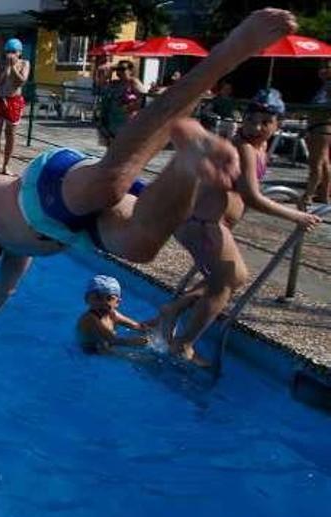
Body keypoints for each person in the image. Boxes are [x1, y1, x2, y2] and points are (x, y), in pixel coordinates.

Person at [0, 8, 296, 330]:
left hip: (45, 191)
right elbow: (2, 292)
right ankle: (187, 161)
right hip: (79, 228)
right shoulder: (16, 255)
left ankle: (229, 53)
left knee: (112, 183)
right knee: (141, 247)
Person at [158, 89, 322, 364]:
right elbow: (252, 198)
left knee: (230, 278)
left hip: (207, 224)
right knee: (231, 278)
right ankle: (183, 344)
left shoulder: (258, 148)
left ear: (277, 124)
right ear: (242, 120)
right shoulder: (245, 148)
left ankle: (174, 309)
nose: (256, 127)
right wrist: (296, 216)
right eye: (251, 120)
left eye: (265, 122)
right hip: (203, 225)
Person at [76, 275, 148, 354]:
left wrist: (148, 331)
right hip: (90, 349)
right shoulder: (89, 318)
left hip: (108, 341)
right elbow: (112, 340)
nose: (104, 303)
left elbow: (136, 326)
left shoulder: (113, 314)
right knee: (105, 348)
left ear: (117, 302)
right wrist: (133, 341)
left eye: (109, 298)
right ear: (87, 300)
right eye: (98, 297)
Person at [0, 38, 30, 174]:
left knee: (10, 133)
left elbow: (21, 81)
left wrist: (13, 67)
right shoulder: (1, 64)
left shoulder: (25, 63)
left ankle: (6, 165)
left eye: (13, 52)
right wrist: (6, 68)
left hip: (14, 101)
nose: (10, 54)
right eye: (8, 51)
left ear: (19, 53)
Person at [96, 60, 148, 147]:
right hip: (112, 120)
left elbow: (143, 97)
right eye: (117, 69)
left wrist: (131, 107)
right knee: (111, 147)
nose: (119, 71)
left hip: (126, 119)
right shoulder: (114, 83)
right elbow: (100, 84)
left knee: (124, 146)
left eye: (122, 69)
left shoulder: (133, 82)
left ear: (130, 70)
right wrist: (109, 71)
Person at [305, 62, 331, 205]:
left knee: (316, 163)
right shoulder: (324, 86)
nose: (323, 70)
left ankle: (308, 195)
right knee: (325, 162)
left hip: (322, 128)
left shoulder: (329, 87)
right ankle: (324, 194)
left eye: (327, 68)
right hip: (319, 127)